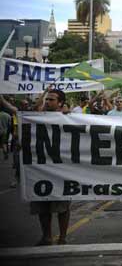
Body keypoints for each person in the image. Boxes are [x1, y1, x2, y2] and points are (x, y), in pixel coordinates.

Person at [30, 88, 71, 245]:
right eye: (46, 99)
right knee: (42, 206)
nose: (47, 102)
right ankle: (46, 237)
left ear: (60, 103)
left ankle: (62, 238)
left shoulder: (67, 119)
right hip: (40, 168)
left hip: (61, 169)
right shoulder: (35, 118)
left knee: (62, 206)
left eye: (51, 99)